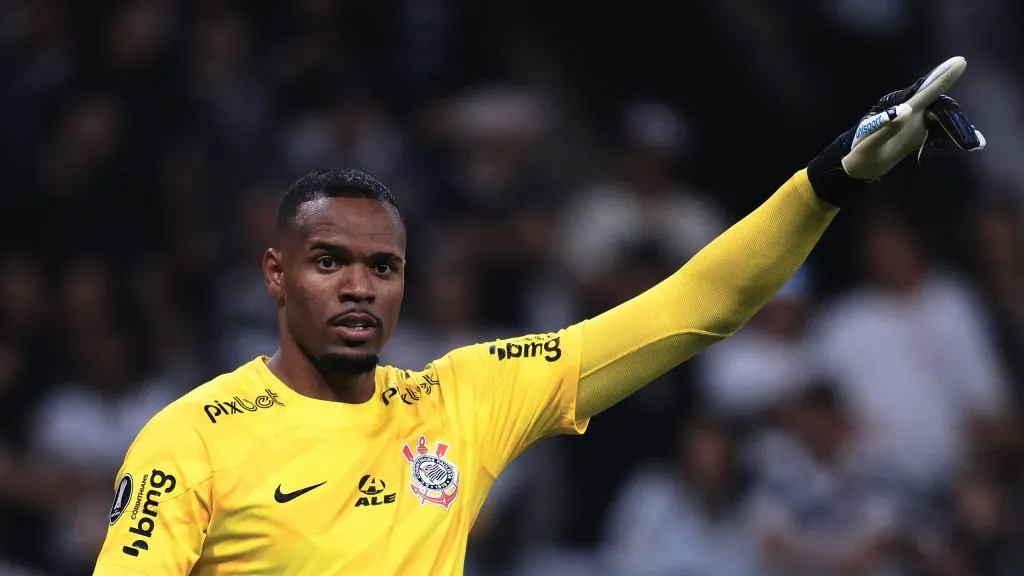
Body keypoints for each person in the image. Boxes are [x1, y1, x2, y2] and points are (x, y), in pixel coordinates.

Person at [93, 57, 985, 575]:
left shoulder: (462, 402)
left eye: (384, 266)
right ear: (277, 275)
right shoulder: (193, 438)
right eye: (330, 262)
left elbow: (698, 304)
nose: (359, 285)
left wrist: (830, 182)